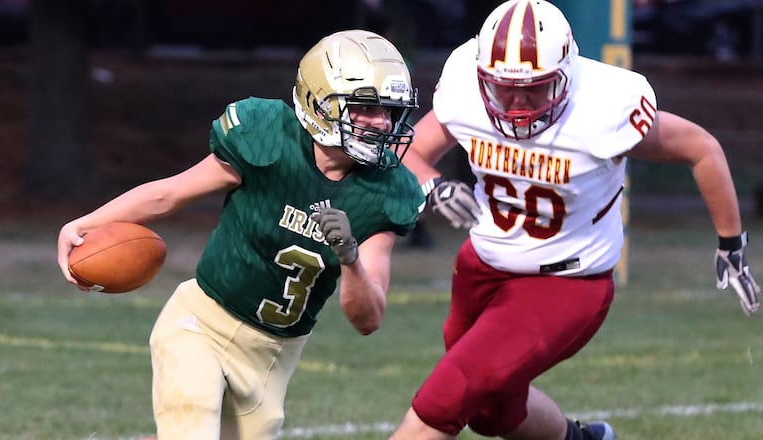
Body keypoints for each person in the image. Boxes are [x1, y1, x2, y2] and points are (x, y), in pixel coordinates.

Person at [389, 1, 760, 439]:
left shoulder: (600, 108)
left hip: (566, 282)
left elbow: (701, 148)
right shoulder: (466, 90)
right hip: (481, 266)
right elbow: (408, 152)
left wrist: (730, 243)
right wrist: (434, 186)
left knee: (447, 397)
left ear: (565, 75)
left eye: (534, 89)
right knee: (491, 413)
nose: (517, 103)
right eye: (504, 88)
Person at [56, 29, 424, 440]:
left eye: (389, 110)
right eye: (366, 108)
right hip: (200, 323)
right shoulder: (268, 138)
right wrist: (83, 224)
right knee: (192, 425)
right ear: (320, 103)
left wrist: (349, 256)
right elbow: (168, 195)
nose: (382, 122)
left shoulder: (387, 192)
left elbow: (368, 319)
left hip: (273, 357)